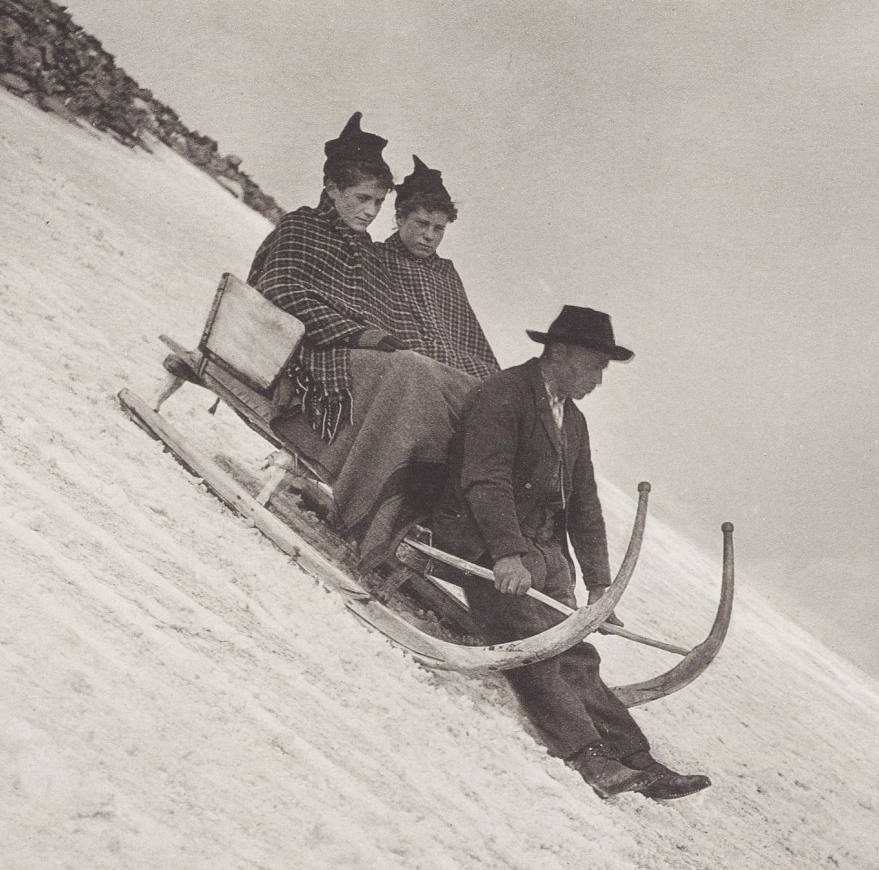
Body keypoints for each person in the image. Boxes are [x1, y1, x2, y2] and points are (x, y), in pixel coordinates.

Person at [425, 306, 710, 801]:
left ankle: (636, 757)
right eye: (594, 365)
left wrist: (600, 586)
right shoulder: (504, 395)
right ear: (558, 354)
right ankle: (586, 756)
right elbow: (485, 481)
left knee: (575, 648)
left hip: (537, 552)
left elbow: (583, 505)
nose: (600, 379)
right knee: (532, 643)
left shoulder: (571, 420)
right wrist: (508, 554)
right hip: (481, 540)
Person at [246, 113, 476, 575]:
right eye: (362, 199)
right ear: (331, 189)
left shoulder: (361, 250)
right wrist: (363, 335)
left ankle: (406, 510)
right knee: (412, 372)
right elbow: (281, 290)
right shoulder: (302, 229)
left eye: (377, 201)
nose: (369, 212)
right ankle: (372, 512)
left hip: (350, 358)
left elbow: (377, 311)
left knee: (430, 380)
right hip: (306, 361)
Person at [377, 157, 502, 382]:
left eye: (439, 229)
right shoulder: (376, 257)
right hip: (409, 370)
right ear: (400, 218)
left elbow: (471, 340)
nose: (430, 236)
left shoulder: (446, 273)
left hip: (460, 370)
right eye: (422, 223)